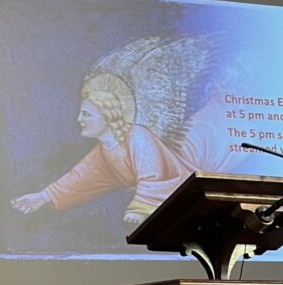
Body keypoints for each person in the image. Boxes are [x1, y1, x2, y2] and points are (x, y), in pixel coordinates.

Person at [12, 72, 197, 228]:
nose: (79, 119)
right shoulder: (102, 153)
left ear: (107, 116)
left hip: (186, 193)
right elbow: (78, 178)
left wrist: (142, 207)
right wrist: (41, 197)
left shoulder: (137, 135)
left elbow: (155, 173)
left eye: (86, 114)